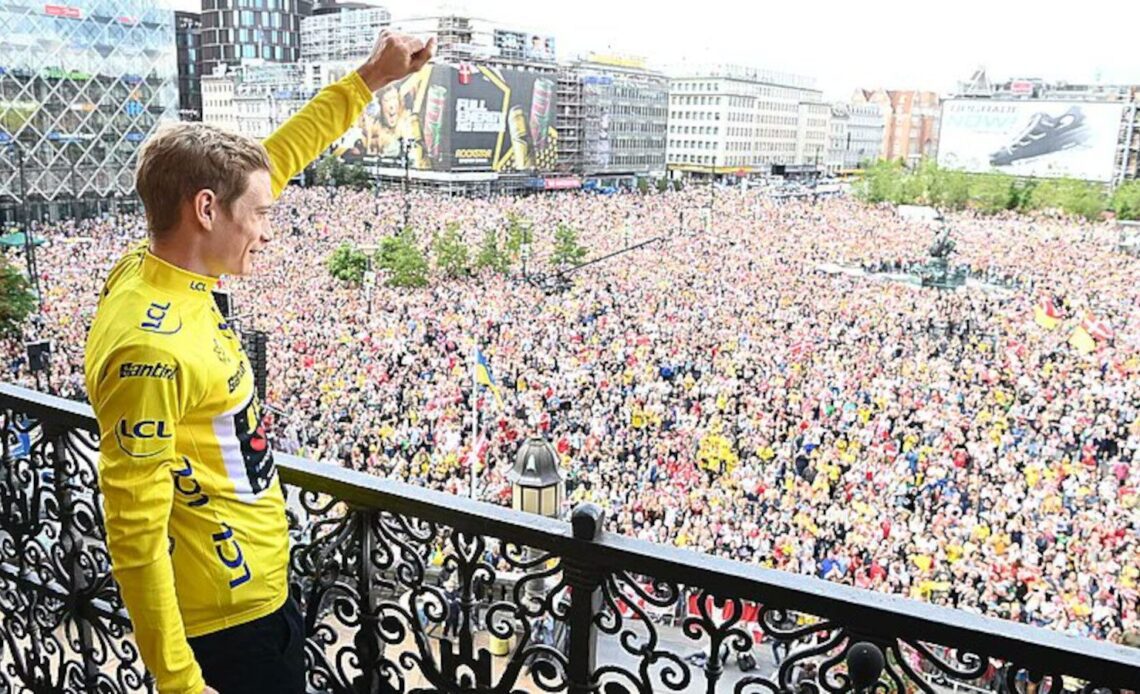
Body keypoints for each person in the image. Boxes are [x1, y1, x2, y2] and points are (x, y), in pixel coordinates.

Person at [82, 30, 435, 694]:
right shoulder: (149, 352)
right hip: (226, 628)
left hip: (258, 592)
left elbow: (274, 158)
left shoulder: (154, 259)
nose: (268, 230)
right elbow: (133, 531)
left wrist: (369, 80)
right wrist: (180, 681)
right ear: (206, 209)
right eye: (261, 214)